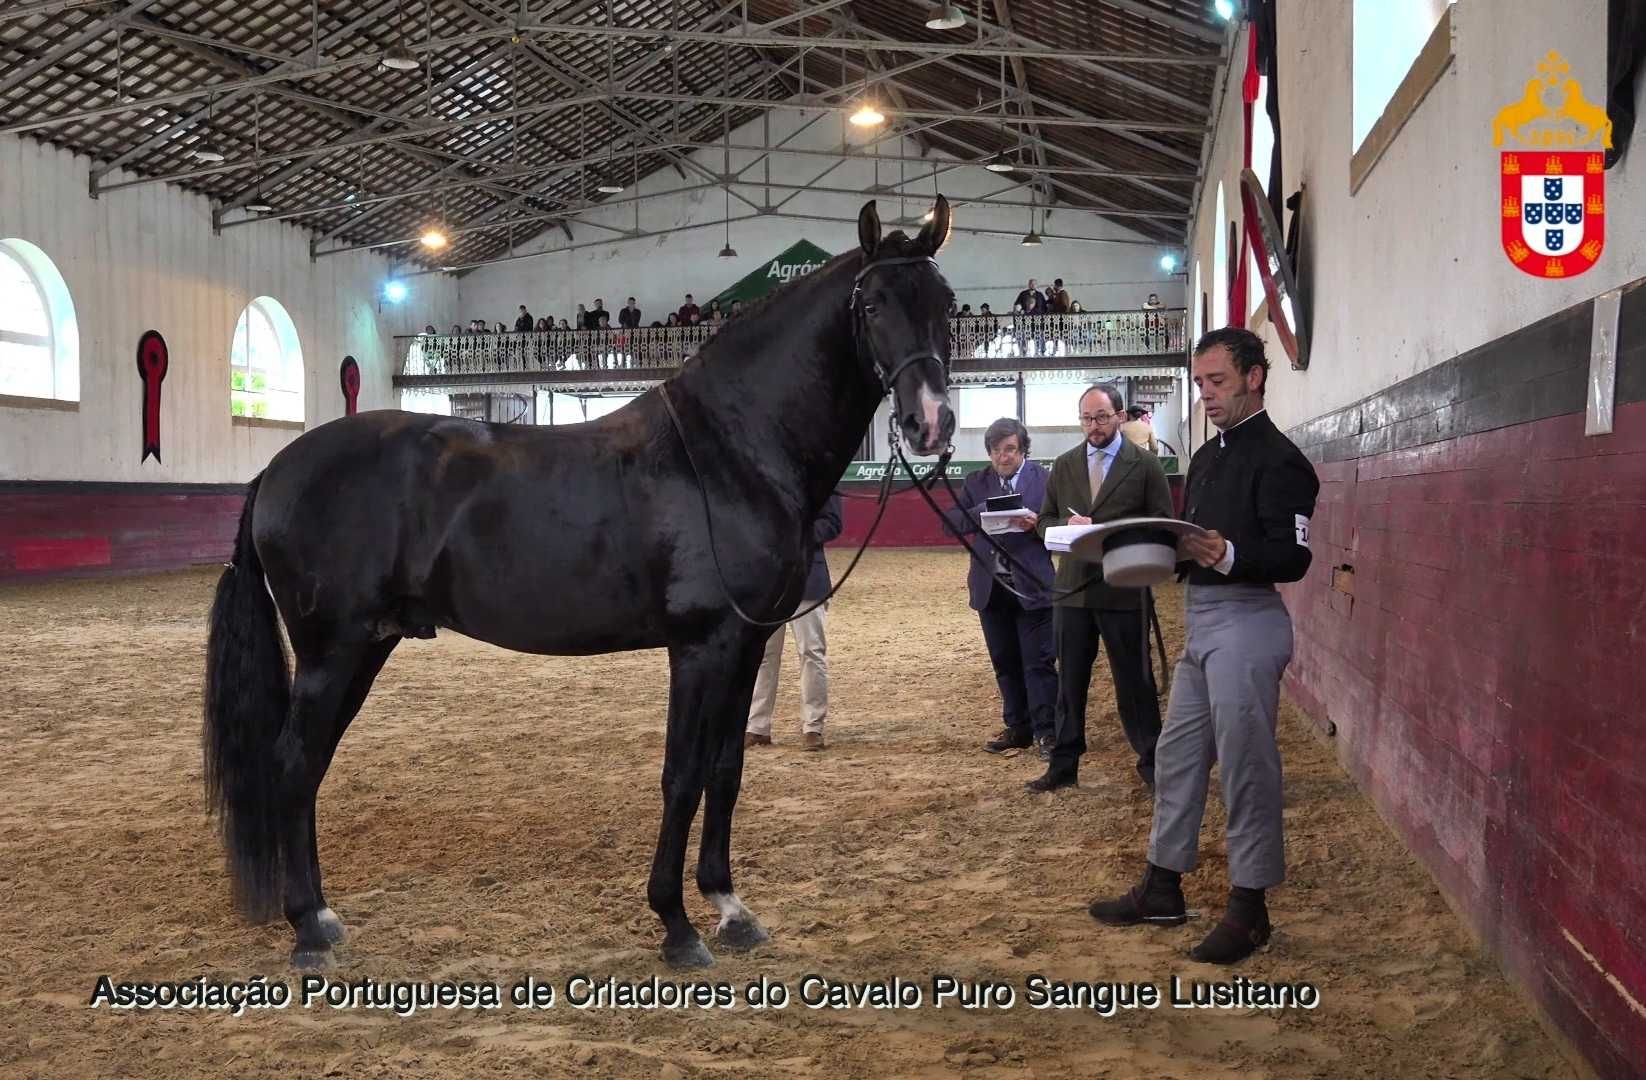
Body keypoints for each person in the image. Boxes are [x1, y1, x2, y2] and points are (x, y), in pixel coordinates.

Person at [1089, 328, 1319, 966]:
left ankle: (1251, 909)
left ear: (1254, 377)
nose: (1206, 395)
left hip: (1248, 623)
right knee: (1178, 753)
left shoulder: (1282, 461)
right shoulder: (1211, 456)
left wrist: (1229, 554)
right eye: (1199, 384)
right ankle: (1163, 884)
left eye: (1216, 382)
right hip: (1204, 619)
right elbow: (1192, 544)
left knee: (1247, 765)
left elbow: (1294, 557)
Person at [1032, 384, 1174, 793]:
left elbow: (1164, 523)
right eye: (1087, 419)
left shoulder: (1145, 466)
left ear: (1119, 416)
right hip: (1073, 590)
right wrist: (1061, 528)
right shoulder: (1063, 465)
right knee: (1069, 683)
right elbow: (1044, 522)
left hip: (1124, 588)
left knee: (1135, 681)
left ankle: (1152, 763)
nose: (1093, 426)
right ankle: (1064, 765)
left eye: (1102, 417)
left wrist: (1126, 536)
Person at [942, 419, 1057, 759]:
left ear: (1023, 450)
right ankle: (1018, 727)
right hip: (991, 587)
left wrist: (1039, 525)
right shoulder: (976, 482)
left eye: (1009, 449)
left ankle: (1047, 732)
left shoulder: (1046, 480)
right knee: (1004, 661)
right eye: (995, 451)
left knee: (1038, 662)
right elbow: (952, 523)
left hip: (1033, 585)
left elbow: (1062, 527)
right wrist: (986, 510)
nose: (1002, 457)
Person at [746, 494, 844, 751]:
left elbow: (832, 523)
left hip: (808, 580)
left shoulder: (823, 475)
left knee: (811, 652)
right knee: (763, 655)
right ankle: (757, 726)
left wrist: (793, 532)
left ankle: (813, 727)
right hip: (768, 582)